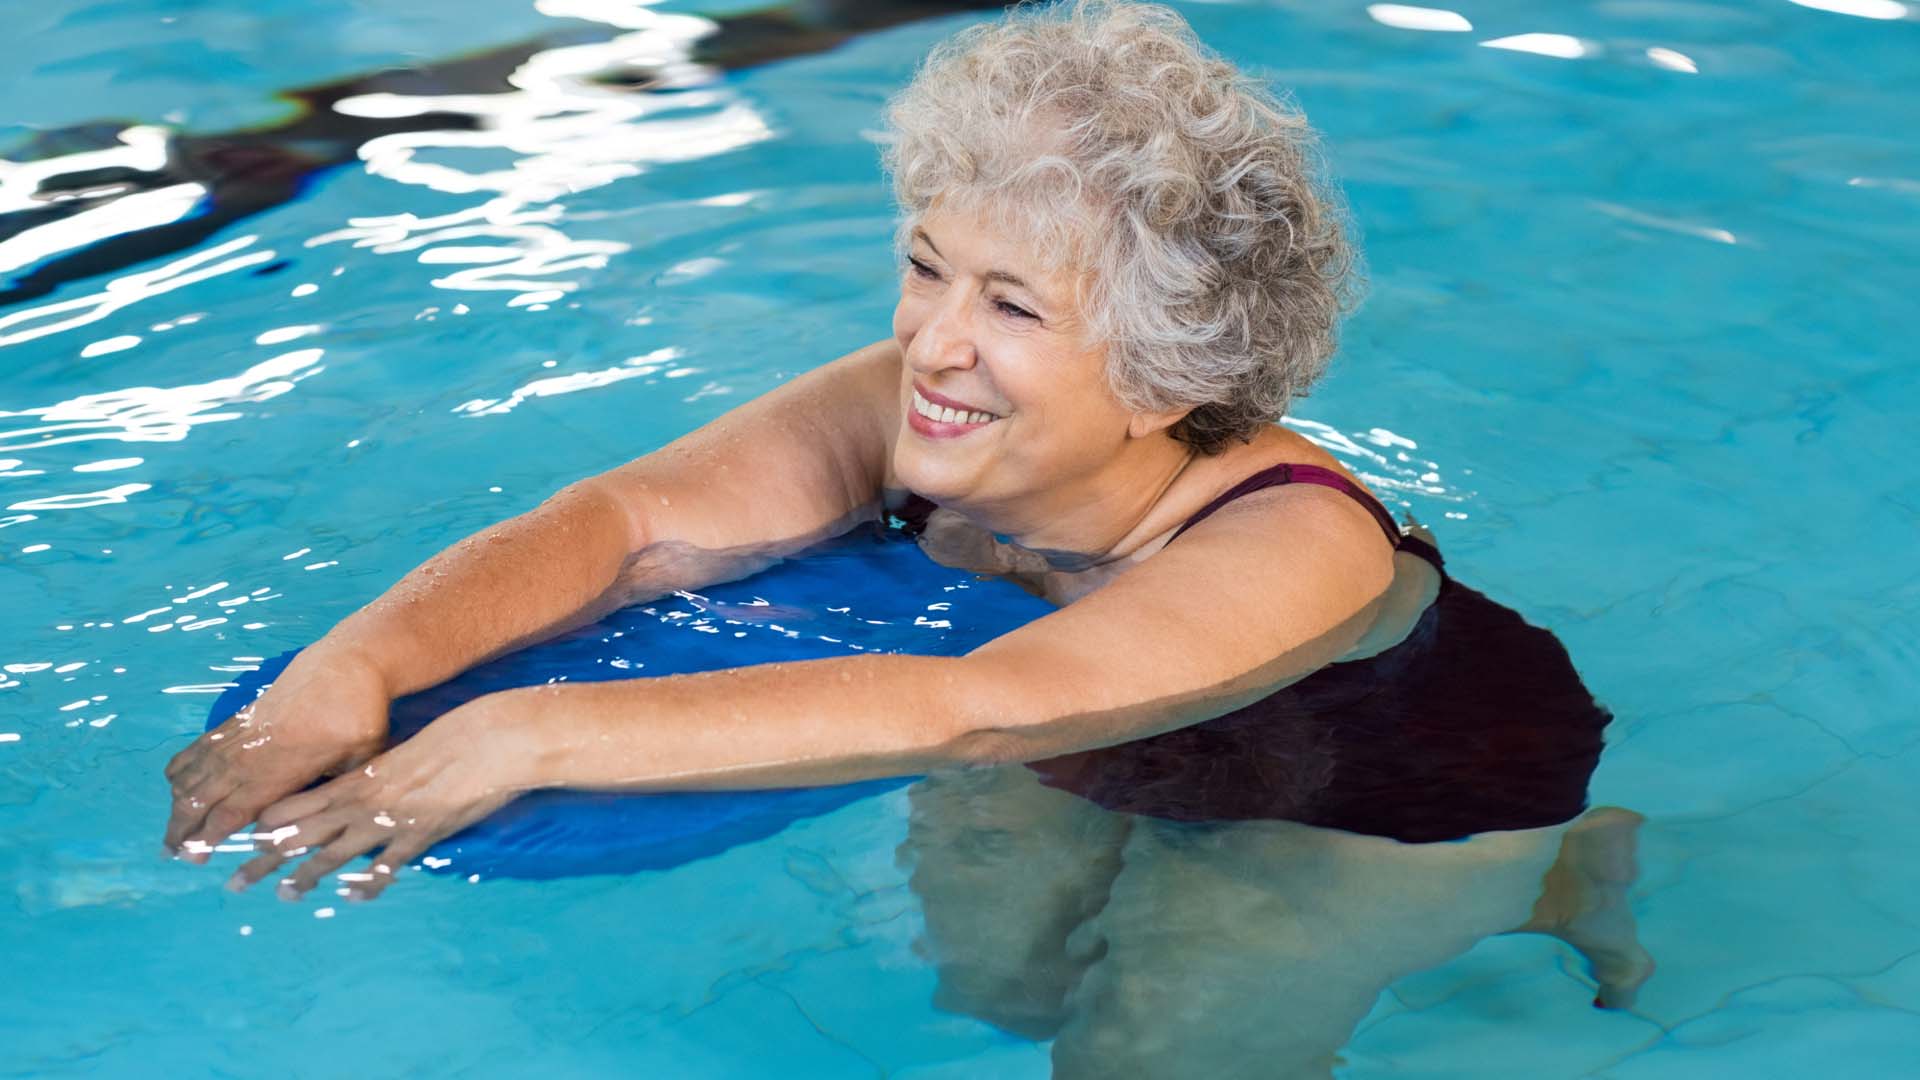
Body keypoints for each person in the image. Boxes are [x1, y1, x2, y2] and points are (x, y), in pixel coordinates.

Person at [164, 1, 1627, 1003]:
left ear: (1163, 374)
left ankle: (1554, 876)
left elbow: (978, 704)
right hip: (1088, 734)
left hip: (1383, 788)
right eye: (928, 265)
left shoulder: (1293, 539)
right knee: (993, 990)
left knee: (1155, 1053)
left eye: (1010, 305)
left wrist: (528, 729)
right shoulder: (922, 399)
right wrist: (357, 666)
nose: (931, 340)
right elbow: (629, 525)